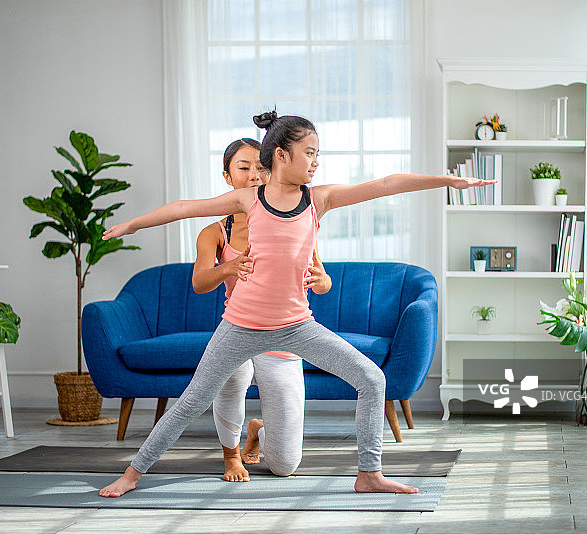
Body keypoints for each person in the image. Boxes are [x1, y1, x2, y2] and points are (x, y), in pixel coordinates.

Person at [99, 110, 494, 497]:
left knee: (372, 379)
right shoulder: (247, 200)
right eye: (309, 152)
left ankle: (369, 473)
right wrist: (132, 224)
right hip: (239, 326)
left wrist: (448, 180)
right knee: (190, 402)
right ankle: (133, 474)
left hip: (296, 327)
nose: (316, 162)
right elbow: (184, 208)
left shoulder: (317, 201)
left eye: (318, 154)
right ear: (282, 155)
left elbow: (387, 183)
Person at [193, 138, 331, 483]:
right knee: (233, 376)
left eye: (260, 166)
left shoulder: (296, 220)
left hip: (283, 337)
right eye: (243, 168)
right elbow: (199, 284)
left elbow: (324, 283)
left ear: (273, 168)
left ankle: (257, 430)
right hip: (238, 330)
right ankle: (231, 457)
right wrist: (230, 267)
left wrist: (321, 279)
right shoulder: (215, 232)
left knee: (285, 466)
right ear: (228, 177)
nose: (254, 174)